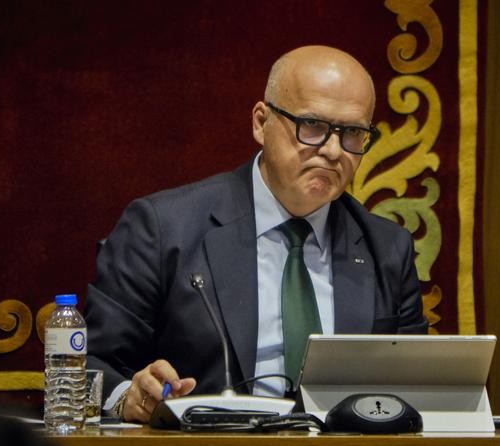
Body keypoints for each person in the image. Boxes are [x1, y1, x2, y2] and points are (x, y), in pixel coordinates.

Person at [85, 45, 429, 423]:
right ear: (261, 123)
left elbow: (410, 388)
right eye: (312, 126)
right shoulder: (163, 228)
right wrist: (127, 398)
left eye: (352, 133)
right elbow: (90, 362)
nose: (333, 151)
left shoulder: (387, 249)